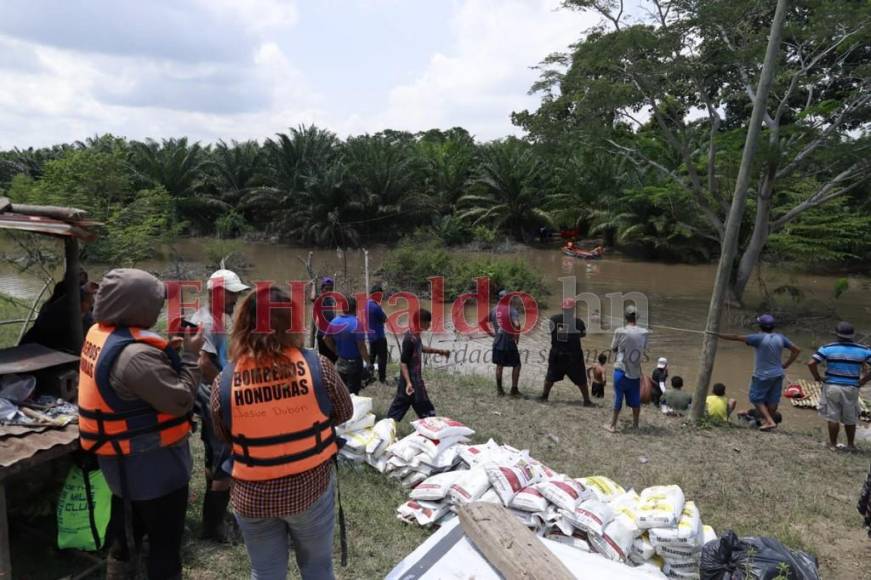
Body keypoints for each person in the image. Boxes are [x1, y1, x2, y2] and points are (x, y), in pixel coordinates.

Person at [211, 285, 352, 580]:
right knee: (317, 567)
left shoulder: (225, 381)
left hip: (253, 496)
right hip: (309, 489)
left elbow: (224, 433)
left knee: (265, 571)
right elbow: (344, 412)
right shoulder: (318, 367)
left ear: (242, 325)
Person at [77, 269, 204, 580]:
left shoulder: (100, 333)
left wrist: (163, 355)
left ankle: (117, 571)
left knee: (126, 526)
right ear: (134, 306)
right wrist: (190, 357)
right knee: (164, 544)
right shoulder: (135, 356)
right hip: (153, 468)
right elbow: (181, 400)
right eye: (155, 303)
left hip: (120, 464)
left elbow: (131, 384)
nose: (159, 309)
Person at [189, 269, 249, 541]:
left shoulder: (211, 318)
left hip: (206, 397)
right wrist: (227, 389)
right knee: (227, 457)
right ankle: (213, 527)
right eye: (231, 293)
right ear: (216, 292)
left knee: (214, 453)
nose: (235, 298)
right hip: (214, 397)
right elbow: (203, 363)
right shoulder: (209, 322)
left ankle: (212, 516)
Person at [716, 314, 801, 431]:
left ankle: (769, 421)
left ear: (760, 326)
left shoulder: (758, 338)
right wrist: (786, 365)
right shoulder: (781, 337)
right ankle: (766, 421)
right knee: (773, 400)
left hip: (762, 375)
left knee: (755, 398)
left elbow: (736, 337)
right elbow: (797, 350)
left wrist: (717, 334)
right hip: (778, 374)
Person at [807, 321, 871, 451]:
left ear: (837, 334)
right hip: (852, 387)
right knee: (850, 417)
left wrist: (817, 377)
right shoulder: (863, 350)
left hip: (832, 386)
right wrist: (864, 380)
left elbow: (811, 363)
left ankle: (833, 444)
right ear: (853, 335)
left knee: (833, 416)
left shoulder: (827, 348)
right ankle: (851, 445)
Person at [387, 309, 450, 421]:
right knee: (415, 406)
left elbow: (420, 348)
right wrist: (408, 382)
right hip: (410, 383)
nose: (429, 325)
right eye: (427, 322)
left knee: (413, 406)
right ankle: (431, 424)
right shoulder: (409, 339)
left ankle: (430, 424)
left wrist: (439, 351)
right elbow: (403, 363)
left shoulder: (416, 335)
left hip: (415, 382)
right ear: (420, 321)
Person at [540, 298, 593, 406]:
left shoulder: (554, 319)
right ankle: (586, 401)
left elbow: (550, 331)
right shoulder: (578, 322)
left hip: (557, 354)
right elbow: (583, 334)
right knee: (581, 380)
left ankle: (544, 396)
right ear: (573, 309)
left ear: (562, 308)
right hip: (574, 356)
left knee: (550, 377)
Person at [606, 306, 649, 433]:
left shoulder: (620, 331)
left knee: (618, 396)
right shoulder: (644, 332)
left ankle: (612, 425)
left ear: (625, 317)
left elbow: (613, 348)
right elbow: (644, 348)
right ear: (638, 318)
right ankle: (635, 425)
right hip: (635, 371)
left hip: (621, 369)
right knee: (635, 398)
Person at [324, 296, 370, 395]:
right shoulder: (357, 323)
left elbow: (326, 338)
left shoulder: (335, 321)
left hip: (340, 362)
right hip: (354, 364)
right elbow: (361, 347)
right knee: (353, 393)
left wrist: (335, 350)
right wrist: (368, 362)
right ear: (355, 308)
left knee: (341, 392)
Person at [482, 290, 522, 397]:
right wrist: (517, 336)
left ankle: (500, 391)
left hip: (497, 342)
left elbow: (482, 322)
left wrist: (490, 333)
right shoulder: (512, 310)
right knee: (517, 365)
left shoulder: (494, 310)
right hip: (509, 342)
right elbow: (517, 324)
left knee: (499, 366)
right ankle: (514, 389)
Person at [311, 277, 338, 363]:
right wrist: (314, 284)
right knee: (325, 360)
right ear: (322, 289)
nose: (328, 291)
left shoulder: (330, 300)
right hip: (323, 335)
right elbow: (312, 298)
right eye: (326, 289)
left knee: (334, 359)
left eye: (330, 289)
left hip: (332, 334)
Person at [366, 284, 389, 383]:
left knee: (372, 356)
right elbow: (385, 319)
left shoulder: (367, 305)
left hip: (371, 336)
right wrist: (381, 308)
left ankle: (369, 376)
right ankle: (382, 379)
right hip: (379, 336)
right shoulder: (376, 307)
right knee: (382, 358)